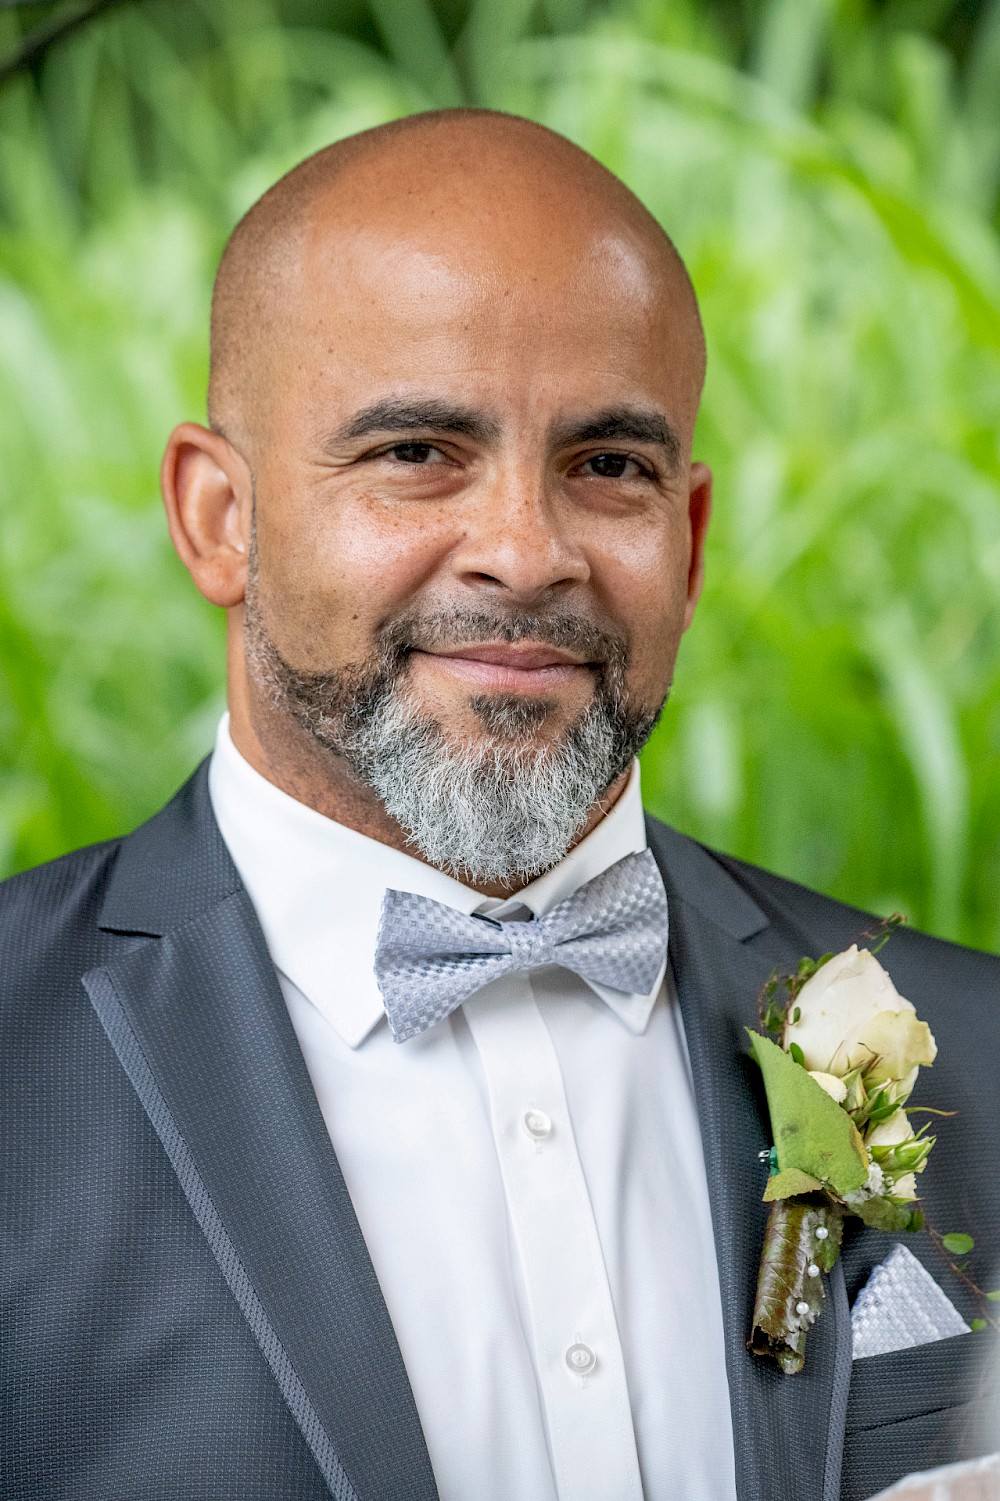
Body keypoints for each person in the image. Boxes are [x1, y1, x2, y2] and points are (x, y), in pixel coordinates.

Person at [2, 108, 999, 1501]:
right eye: (417, 451)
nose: (528, 552)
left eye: (608, 465)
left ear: (691, 537)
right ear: (220, 517)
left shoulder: (975, 1053)